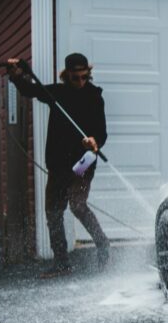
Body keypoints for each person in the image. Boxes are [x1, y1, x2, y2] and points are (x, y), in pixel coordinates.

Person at [7, 53, 110, 276]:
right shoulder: (57, 94)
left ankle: (103, 244)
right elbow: (30, 90)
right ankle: (62, 263)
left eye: (85, 77)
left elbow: (101, 133)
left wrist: (94, 142)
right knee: (53, 211)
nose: (81, 82)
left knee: (77, 204)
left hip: (84, 160)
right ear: (67, 75)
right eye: (76, 78)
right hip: (58, 163)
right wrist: (16, 76)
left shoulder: (94, 97)